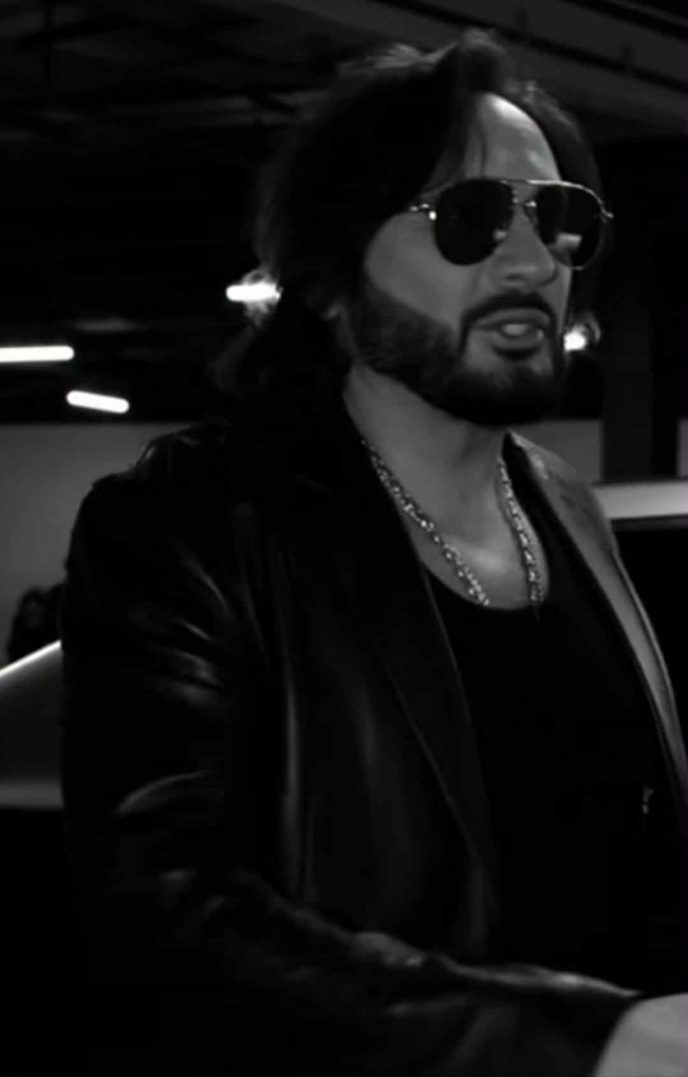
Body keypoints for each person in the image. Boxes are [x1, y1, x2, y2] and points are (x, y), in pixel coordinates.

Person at [59, 29, 688, 1077]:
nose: (533, 261)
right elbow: (167, 920)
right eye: (470, 217)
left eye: (557, 217)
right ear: (329, 278)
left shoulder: (566, 507)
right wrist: (576, 1041)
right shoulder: (196, 522)